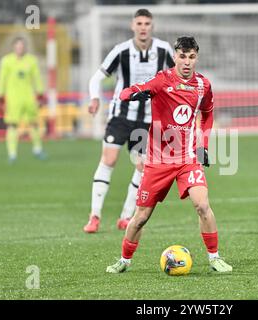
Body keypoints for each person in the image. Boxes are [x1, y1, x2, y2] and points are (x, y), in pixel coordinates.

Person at [105, 36, 232, 273]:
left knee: (203, 205)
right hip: (158, 160)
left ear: (196, 58)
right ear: (175, 56)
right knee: (141, 216)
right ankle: (124, 260)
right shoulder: (162, 80)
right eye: (182, 56)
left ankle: (215, 258)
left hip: (187, 159)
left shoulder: (203, 85)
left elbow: (208, 114)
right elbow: (130, 91)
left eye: (191, 57)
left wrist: (203, 145)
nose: (186, 62)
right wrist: (133, 94)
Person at [84, 8, 175, 233]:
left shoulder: (163, 50)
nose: (143, 27)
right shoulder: (121, 51)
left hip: (145, 119)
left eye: (147, 23)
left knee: (142, 166)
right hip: (121, 115)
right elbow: (97, 77)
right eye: (139, 23)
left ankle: (126, 216)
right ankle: (94, 216)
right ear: (132, 26)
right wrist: (95, 98)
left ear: (152, 26)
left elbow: (175, 78)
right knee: (109, 160)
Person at [0, 37, 46, 163]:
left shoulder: (31, 61)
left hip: (28, 97)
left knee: (33, 123)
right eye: (18, 46)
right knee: (12, 124)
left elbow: (37, 77)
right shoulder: (7, 61)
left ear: (25, 47)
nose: (20, 49)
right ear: (14, 47)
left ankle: (37, 149)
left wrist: (40, 93)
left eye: (22, 46)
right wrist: (0, 96)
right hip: (13, 98)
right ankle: (12, 154)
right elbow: (1, 78)